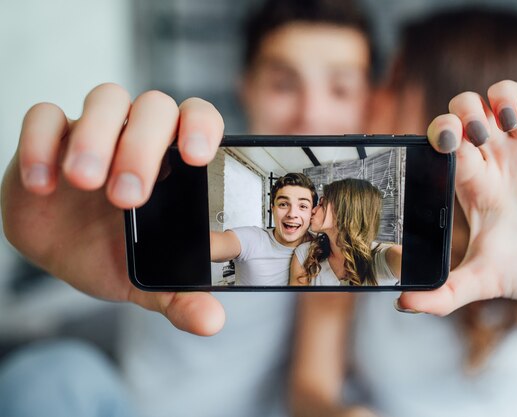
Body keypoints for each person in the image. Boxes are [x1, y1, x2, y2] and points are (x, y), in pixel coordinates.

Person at [0, 1, 376, 416]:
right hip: (133, 404)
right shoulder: (184, 186)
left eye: (340, 89)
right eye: (283, 85)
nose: (312, 112)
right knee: (54, 375)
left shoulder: (356, 244)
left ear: (371, 99)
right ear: (245, 86)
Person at [289, 8, 517, 417]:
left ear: (439, 99)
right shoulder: (356, 230)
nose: (373, 97)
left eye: (394, 82)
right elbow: (309, 388)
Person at [211, 172, 317, 286]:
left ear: (312, 212)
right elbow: (214, 243)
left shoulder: (321, 247)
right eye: (283, 204)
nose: (292, 214)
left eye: (303, 206)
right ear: (273, 209)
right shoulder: (252, 238)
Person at [289, 178, 400, 286]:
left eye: (322, 204)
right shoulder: (306, 254)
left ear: (343, 209)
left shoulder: (382, 258)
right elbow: (297, 303)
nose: (313, 210)